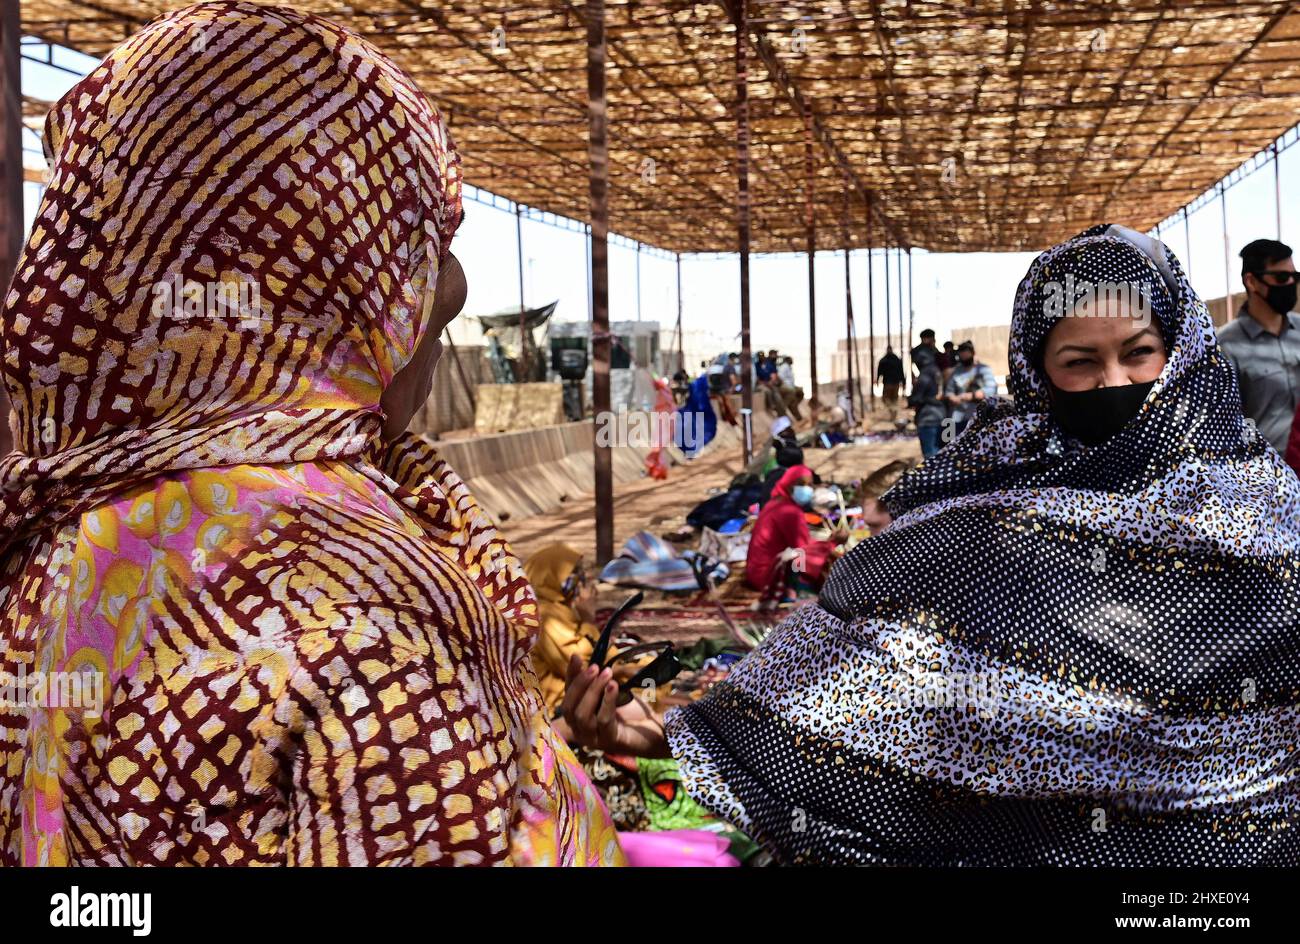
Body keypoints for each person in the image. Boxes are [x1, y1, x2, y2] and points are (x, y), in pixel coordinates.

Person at [0, 2, 624, 867]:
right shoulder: (359, 602)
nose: (427, 334)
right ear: (341, 291)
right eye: (417, 291)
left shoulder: (53, 541)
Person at [563, 223, 1300, 865]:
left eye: (1141, 353)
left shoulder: (1270, 513)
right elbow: (859, 678)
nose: (1115, 381)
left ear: (1180, 354)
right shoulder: (976, 525)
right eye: (1079, 362)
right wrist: (679, 736)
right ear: (1040, 376)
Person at [1217, 238, 1300, 454]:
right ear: (1252, 282)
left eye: (1295, 277)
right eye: (1282, 277)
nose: (1291, 284)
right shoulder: (1225, 346)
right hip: (1270, 476)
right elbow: (1224, 426)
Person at [743, 466, 845, 600]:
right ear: (789, 486)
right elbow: (804, 550)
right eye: (801, 484)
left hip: (755, 572)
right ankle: (798, 590)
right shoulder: (789, 511)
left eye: (810, 485)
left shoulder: (774, 504)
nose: (807, 489)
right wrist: (833, 542)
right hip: (768, 577)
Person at [524, 545, 599, 715]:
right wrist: (588, 619)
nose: (579, 580)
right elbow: (579, 665)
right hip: (554, 706)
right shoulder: (542, 615)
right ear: (548, 577)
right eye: (572, 574)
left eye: (580, 571)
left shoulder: (557, 608)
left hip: (572, 692)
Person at [942, 339, 997, 442]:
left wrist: (971, 395)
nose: (964, 357)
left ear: (973, 354)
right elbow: (949, 391)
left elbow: (991, 389)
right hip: (958, 418)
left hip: (980, 417)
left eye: (966, 354)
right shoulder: (956, 372)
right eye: (961, 354)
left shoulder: (984, 370)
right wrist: (952, 397)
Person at [908, 345, 946, 458]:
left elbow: (915, 399)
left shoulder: (925, 375)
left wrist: (911, 397)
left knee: (931, 458)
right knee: (944, 456)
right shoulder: (937, 371)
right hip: (944, 417)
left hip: (929, 419)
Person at [876, 346, 905, 416]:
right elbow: (901, 372)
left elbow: (879, 372)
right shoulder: (896, 360)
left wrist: (877, 380)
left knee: (887, 399)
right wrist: (903, 382)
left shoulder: (884, 360)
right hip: (893, 383)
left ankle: (892, 412)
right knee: (893, 399)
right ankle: (893, 412)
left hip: (888, 383)